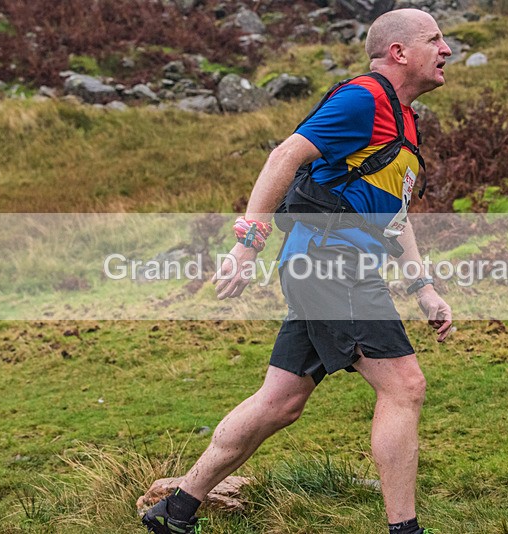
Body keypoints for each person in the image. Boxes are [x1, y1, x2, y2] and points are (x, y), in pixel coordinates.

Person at [142, 8, 453, 534]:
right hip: (330, 265)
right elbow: (284, 156)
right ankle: (406, 530)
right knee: (404, 385)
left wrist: (423, 287)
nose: (446, 50)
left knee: (280, 402)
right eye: (435, 39)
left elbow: (395, 218)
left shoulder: (405, 121)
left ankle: (175, 510)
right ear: (399, 52)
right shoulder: (363, 98)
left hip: (334, 266)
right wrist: (248, 244)